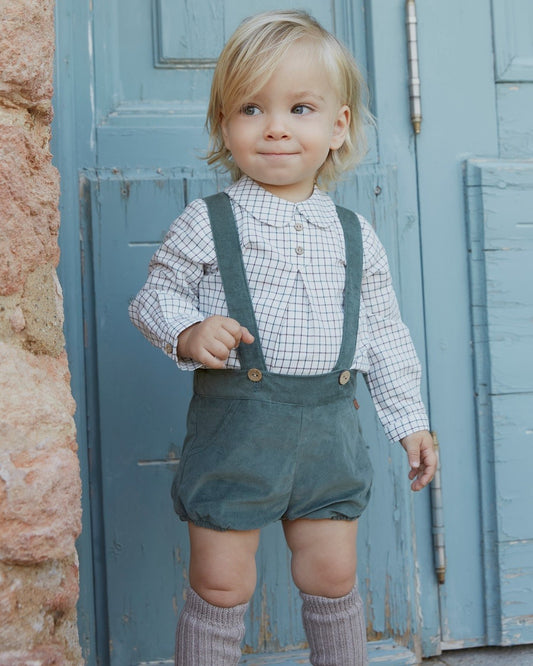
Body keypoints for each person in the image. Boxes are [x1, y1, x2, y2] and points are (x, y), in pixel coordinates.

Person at [129, 9, 437, 666]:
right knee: (220, 582)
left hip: (330, 436)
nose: (274, 127)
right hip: (236, 436)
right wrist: (187, 329)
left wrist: (409, 421)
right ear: (223, 126)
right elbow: (153, 296)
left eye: (299, 108)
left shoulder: (354, 235)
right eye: (249, 108)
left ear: (337, 126)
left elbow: (383, 333)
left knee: (330, 578)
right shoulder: (206, 222)